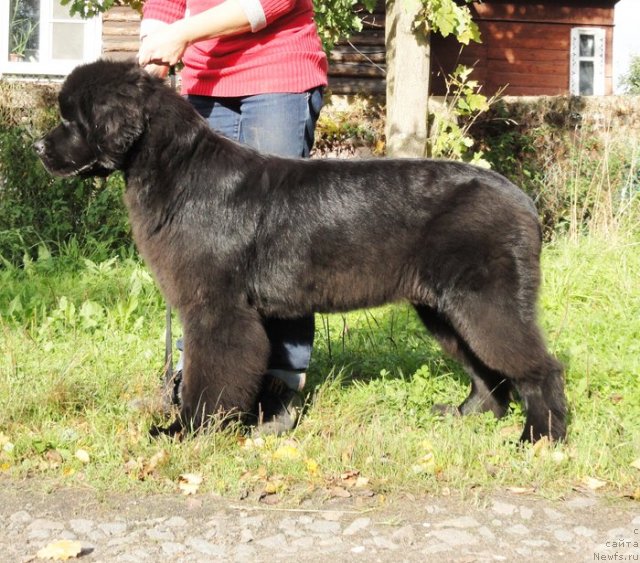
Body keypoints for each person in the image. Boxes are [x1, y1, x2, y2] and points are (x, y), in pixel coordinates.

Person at [137, 0, 328, 433]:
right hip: (206, 81)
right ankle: (200, 383)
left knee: (281, 240)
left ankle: (279, 381)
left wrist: (182, 35)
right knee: (198, 253)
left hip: (277, 74)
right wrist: (153, 47)